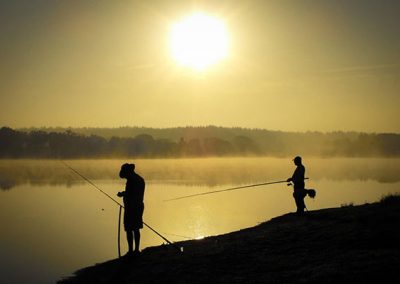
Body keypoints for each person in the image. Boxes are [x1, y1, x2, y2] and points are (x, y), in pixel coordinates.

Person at [117, 163, 145, 256]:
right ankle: (136, 250)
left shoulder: (131, 180)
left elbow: (130, 193)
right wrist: (125, 193)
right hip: (139, 206)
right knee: (136, 228)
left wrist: (122, 194)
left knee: (129, 229)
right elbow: (133, 192)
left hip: (131, 208)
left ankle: (131, 251)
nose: (124, 176)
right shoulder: (140, 179)